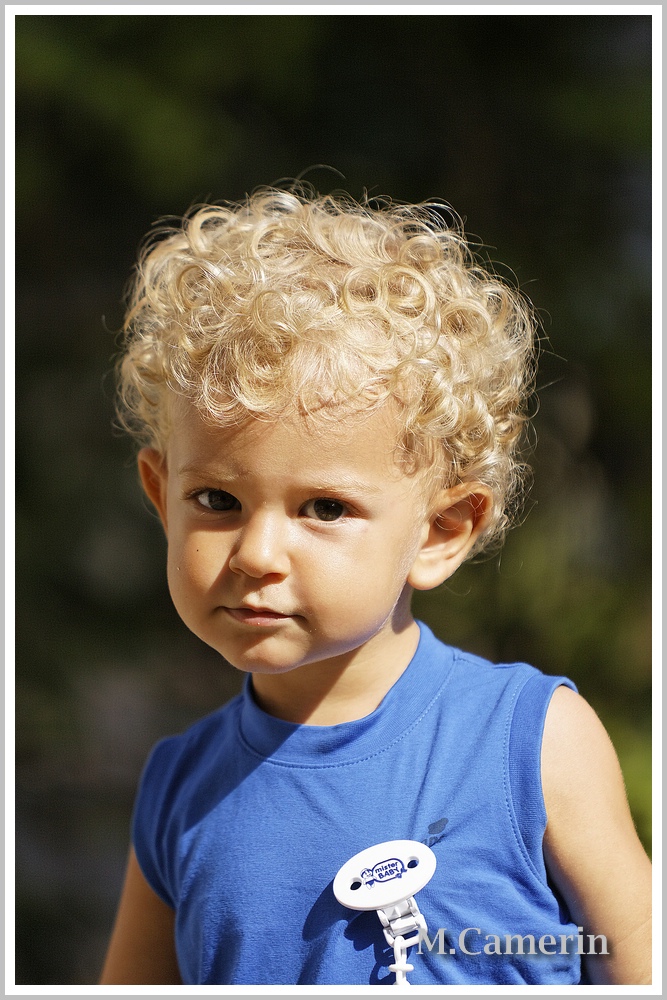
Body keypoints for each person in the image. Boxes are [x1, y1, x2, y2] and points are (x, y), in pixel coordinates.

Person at [100, 187, 651, 986]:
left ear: (439, 531)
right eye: (216, 500)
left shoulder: (528, 742)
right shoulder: (177, 790)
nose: (256, 553)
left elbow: (637, 954)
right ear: (161, 497)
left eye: (324, 508)